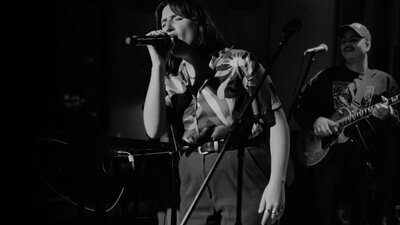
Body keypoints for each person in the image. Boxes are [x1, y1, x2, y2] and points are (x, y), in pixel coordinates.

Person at [142, 0, 291, 224]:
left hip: (238, 164)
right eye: (164, 22)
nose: (168, 27)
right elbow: (153, 130)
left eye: (177, 18)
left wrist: (277, 183)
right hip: (192, 171)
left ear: (199, 24)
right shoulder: (172, 78)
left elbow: (277, 122)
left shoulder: (238, 62)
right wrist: (157, 65)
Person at [293, 22, 400, 225]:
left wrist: (388, 115)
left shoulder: (384, 81)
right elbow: (299, 108)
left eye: (354, 39)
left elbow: (397, 128)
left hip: (366, 170)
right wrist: (316, 120)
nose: (347, 43)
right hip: (327, 166)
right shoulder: (325, 77)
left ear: (367, 45)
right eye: (344, 40)